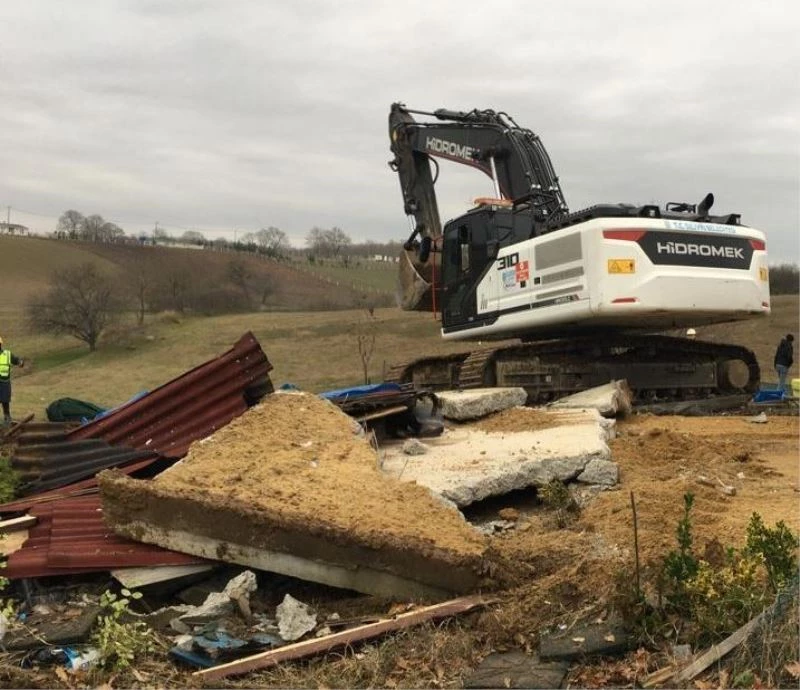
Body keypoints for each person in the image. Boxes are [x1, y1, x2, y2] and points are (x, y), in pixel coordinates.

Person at [0, 335, 25, 426]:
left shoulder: (7, 354)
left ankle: (7, 416)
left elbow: (16, 360)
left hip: (4, 381)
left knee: (5, 399)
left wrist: (20, 362)